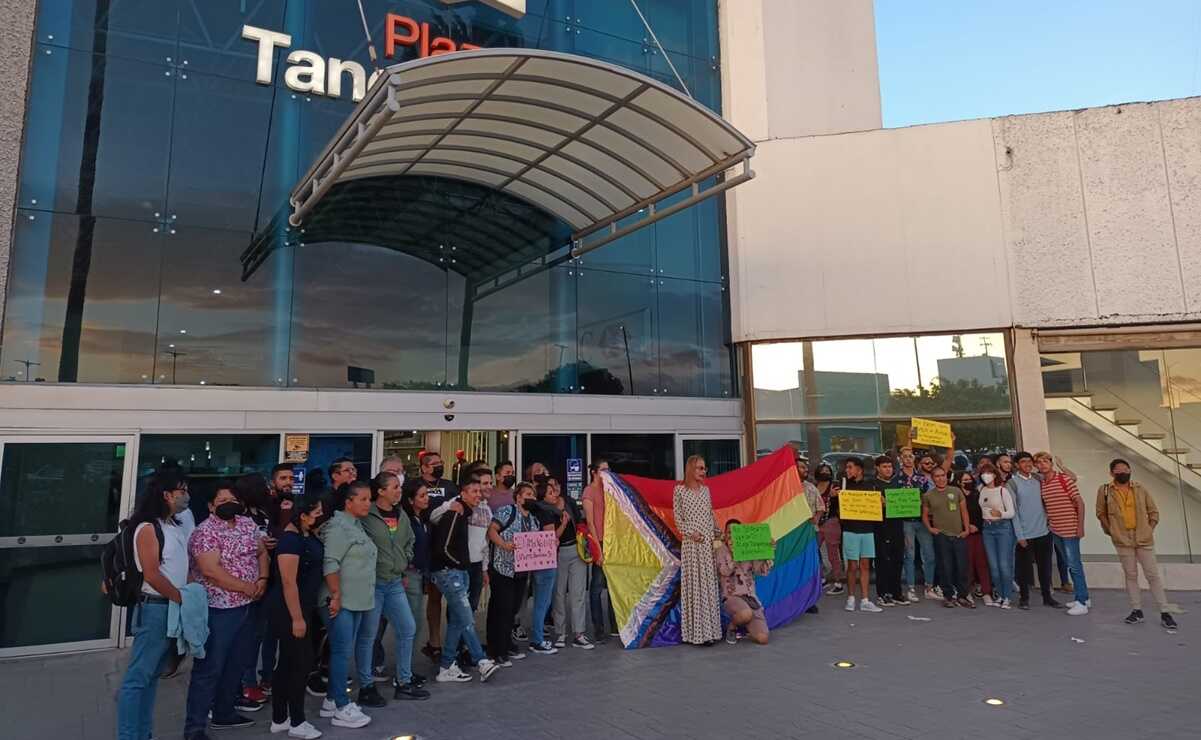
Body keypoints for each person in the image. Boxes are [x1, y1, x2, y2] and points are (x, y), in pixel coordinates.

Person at [183, 483, 269, 738]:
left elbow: (261, 551)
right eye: (221, 501)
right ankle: (194, 728)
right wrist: (245, 587)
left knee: (237, 663)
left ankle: (224, 712)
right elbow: (210, 570)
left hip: (248, 605)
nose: (228, 504)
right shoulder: (204, 532)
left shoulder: (246, 524)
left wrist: (262, 579)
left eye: (232, 499)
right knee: (209, 668)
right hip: (219, 609)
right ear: (211, 506)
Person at [116, 470, 193, 740]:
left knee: (150, 679)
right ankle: (129, 735)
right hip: (155, 609)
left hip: (170, 607)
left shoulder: (174, 526)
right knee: (137, 680)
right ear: (166, 495)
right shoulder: (148, 528)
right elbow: (152, 574)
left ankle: (143, 734)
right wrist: (181, 598)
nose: (187, 495)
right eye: (182, 490)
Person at [361, 472, 429, 701]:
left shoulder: (401, 514)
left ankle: (404, 682)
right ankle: (366, 686)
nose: (399, 491)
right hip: (373, 583)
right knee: (369, 635)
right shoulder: (367, 514)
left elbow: (410, 539)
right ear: (380, 491)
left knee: (407, 628)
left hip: (395, 581)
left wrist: (404, 560)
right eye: (394, 487)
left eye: (399, 487)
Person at [316, 481, 377, 729]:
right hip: (340, 600)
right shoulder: (338, 526)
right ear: (348, 502)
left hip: (357, 599)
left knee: (343, 650)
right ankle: (342, 706)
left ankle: (332, 699)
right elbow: (330, 563)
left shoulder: (356, 524)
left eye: (369, 499)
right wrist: (336, 595)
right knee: (341, 651)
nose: (368, 503)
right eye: (362, 499)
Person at [428, 472, 499, 683]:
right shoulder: (455, 512)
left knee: (459, 620)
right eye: (473, 491)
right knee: (466, 618)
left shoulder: (467, 512)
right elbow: (442, 547)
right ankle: (481, 660)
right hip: (449, 572)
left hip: (461, 571)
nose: (478, 494)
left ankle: (446, 666)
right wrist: (458, 564)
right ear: (463, 493)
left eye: (479, 491)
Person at [266, 495, 326, 739]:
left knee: (288, 662)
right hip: (290, 609)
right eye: (317, 512)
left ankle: (280, 718)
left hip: (303, 606)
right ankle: (297, 721)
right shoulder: (290, 541)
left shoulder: (306, 535)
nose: (321, 516)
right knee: (300, 663)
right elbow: (288, 582)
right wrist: (297, 618)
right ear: (303, 516)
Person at [1096, 459, 1178, 631]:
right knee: (1131, 575)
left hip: (1143, 537)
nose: (1123, 473)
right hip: (1122, 539)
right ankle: (1136, 610)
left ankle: (1165, 612)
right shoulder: (1105, 490)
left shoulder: (1140, 488)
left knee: (1152, 575)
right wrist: (1112, 530)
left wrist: (1149, 529)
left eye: (1126, 469)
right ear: (1112, 473)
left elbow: (1153, 512)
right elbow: (1101, 513)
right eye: (1119, 471)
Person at [1030, 452, 1089, 616]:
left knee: (1074, 565)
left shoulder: (1064, 479)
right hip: (1055, 530)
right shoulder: (1042, 483)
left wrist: (1080, 526)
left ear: (1051, 463)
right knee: (1070, 564)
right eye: (1038, 462)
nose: (1042, 465)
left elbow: (1080, 503)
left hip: (1070, 529)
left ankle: (1081, 602)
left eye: (1045, 461)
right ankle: (1083, 597)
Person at [235, 474, 276, 708]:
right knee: (248, 636)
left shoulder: (262, 512)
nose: (268, 489)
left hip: (265, 581)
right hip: (247, 583)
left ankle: (256, 679)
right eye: (264, 486)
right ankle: (246, 683)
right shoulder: (240, 516)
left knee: (259, 634)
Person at [486, 481, 539, 664]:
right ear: (518, 497)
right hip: (503, 568)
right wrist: (503, 544)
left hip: (521, 572)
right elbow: (492, 530)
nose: (531, 498)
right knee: (502, 609)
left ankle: (506, 643)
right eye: (528, 495)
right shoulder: (507, 511)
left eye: (533, 495)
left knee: (512, 610)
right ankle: (497, 650)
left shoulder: (533, 520)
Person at [673, 455, 723, 646]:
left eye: (704, 468)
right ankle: (695, 634)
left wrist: (718, 533)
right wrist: (690, 533)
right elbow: (678, 519)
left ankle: (710, 632)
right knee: (694, 587)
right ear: (691, 470)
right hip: (692, 546)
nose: (704, 472)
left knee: (708, 587)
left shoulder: (706, 491)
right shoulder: (679, 491)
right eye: (700, 468)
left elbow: (710, 515)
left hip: (707, 545)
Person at [1006, 452, 1063, 610]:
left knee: (1045, 568)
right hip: (1025, 535)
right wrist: (1020, 535)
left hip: (1044, 532)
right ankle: (1024, 598)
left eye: (1029, 461)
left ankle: (1047, 597)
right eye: (1023, 462)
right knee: (1024, 570)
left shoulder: (1038, 479)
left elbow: (1069, 479)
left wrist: (1062, 466)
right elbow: (1014, 511)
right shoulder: (1012, 483)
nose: (1027, 464)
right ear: (1016, 465)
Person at [417, 451, 459, 665]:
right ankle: (434, 642)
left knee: (455, 597)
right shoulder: (416, 486)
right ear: (424, 467)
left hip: (450, 546)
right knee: (433, 597)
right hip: (427, 547)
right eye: (434, 463)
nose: (439, 466)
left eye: (441, 462)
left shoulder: (450, 486)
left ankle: (455, 642)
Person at [550, 477, 593, 649]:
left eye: (556, 485)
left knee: (578, 593)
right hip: (557, 553)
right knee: (559, 594)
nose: (554, 489)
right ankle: (560, 633)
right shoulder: (545, 508)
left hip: (576, 550)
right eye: (550, 487)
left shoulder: (569, 502)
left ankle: (579, 633)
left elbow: (581, 523)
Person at [922, 467, 974, 608]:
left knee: (962, 567)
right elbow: (924, 515)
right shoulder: (928, 495)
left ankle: (963, 596)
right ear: (933, 478)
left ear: (947, 476)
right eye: (937, 476)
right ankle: (948, 596)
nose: (941, 478)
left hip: (959, 534)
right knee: (945, 567)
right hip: (942, 536)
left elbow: (964, 511)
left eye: (943, 475)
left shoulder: (956, 491)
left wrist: (966, 529)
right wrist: (930, 528)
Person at [714, 519, 772, 645]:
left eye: (735, 532)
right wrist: (735, 555)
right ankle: (732, 628)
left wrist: (767, 551)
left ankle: (746, 630)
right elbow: (724, 572)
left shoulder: (748, 548)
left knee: (763, 639)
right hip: (732, 597)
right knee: (746, 614)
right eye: (729, 532)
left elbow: (761, 571)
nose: (731, 535)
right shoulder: (721, 551)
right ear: (725, 534)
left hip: (750, 597)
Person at [582, 459, 619, 641]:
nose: (607, 472)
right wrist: (597, 548)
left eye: (608, 469)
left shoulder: (609, 490)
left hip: (611, 542)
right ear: (594, 472)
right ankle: (599, 629)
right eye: (603, 469)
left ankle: (614, 625)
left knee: (613, 585)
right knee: (597, 586)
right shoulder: (589, 491)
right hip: (600, 541)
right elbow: (590, 522)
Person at [839, 458, 882, 613]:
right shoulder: (843, 485)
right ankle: (851, 598)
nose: (847, 470)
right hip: (850, 530)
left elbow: (878, 504)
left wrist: (881, 502)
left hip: (868, 530)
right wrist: (834, 496)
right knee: (852, 565)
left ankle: (865, 600)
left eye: (850, 467)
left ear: (859, 469)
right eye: (846, 467)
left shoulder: (871, 485)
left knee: (865, 565)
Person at [894, 446, 936, 602]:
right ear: (900, 459)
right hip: (906, 522)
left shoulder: (922, 478)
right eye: (905, 456)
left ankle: (929, 587)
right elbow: (893, 501)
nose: (908, 459)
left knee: (929, 555)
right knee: (909, 555)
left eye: (910, 456)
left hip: (922, 520)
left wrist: (923, 502)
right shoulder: (896, 478)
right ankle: (911, 588)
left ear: (914, 459)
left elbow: (929, 497)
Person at [526, 481, 563, 655]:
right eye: (550, 492)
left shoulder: (532, 512)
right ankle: (537, 639)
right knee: (543, 602)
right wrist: (563, 525)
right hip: (545, 561)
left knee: (539, 602)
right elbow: (551, 537)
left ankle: (537, 636)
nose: (554, 494)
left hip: (533, 561)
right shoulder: (546, 513)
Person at [400, 479, 432, 680]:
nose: (426, 499)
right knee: (411, 624)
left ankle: (406, 669)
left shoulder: (422, 519)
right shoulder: (407, 520)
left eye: (427, 494)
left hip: (419, 574)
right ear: (411, 500)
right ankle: (404, 672)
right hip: (409, 574)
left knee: (414, 624)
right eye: (422, 496)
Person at [977, 460, 1016, 608]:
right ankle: (999, 594)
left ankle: (1007, 596)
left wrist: (1000, 514)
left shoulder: (1002, 491)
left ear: (994, 475)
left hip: (1002, 528)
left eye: (988, 473)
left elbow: (1011, 512)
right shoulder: (981, 489)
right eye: (983, 473)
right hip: (987, 529)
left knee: (1004, 565)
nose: (985, 476)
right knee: (993, 566)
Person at [871, 456, 906, 607]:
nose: (888, 469)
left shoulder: (898, 484)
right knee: (882, 561)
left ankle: (896, 592)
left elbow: (906, 504)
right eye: (884, 466)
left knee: (898, 560)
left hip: (897, 527)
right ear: (877, 468)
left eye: (890, 467)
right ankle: (882, 593)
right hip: (880, 528)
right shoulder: (872, 485)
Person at [958, 470, 993, 605]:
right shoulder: (956, 496)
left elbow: (983, 512)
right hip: (963, 534)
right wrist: (966, 527)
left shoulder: (978, 495)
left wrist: (977, 526)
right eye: (964, 480)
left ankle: (986, 592)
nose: (968, 482)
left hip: (978, 533)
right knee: (967, 564)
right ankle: (966, 592)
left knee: (982, 563)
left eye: (969, 480)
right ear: (959, 482)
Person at [814, 462, 844, 595]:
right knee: (814, 551)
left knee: (833, 553)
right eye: (823, 470)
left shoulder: (834, 486)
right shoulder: (814, 487)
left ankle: (838, 582)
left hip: (831, 521)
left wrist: (835, 496)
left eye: (827, 470)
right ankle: (822, 577)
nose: (825, 472)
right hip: (815, 523)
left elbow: (842, 502)